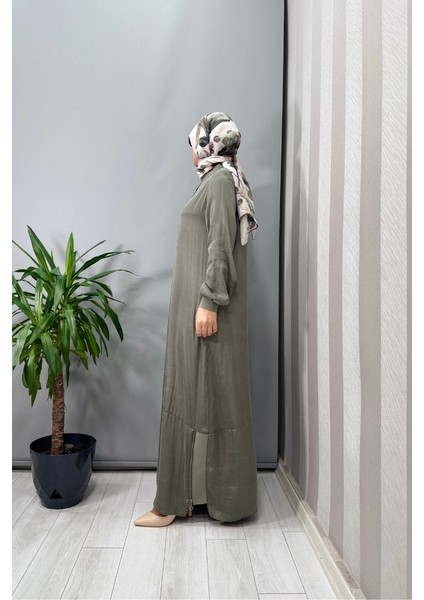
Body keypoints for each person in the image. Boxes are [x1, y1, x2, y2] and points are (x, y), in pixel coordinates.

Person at [134, 112, 259, 527]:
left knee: (208, 391)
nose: (190, 150)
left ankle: (184, 502)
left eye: (194, 142)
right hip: (196, 308)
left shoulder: (221, 181)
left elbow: (220, 243)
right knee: (197, 392)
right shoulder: (214, 180)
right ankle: (185, 497)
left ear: (209, 145)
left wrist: (209, 301)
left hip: (207, 310)